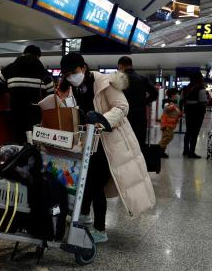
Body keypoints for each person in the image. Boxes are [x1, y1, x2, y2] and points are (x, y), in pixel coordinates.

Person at [56, 53, 155, 243]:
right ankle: (84, 214)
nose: (71, 77)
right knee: (85, 180)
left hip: (110, 140)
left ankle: (100, 229)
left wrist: (102, 120)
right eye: (67, 75)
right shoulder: (75, 87)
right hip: (90, 142)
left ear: (83, 68)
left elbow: (122, 107)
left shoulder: (105, 83)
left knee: (94, 184)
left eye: (73, 72)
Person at [0, 45, 54, 143]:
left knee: (18, 144)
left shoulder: (11, 68)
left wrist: (8, 90)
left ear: (24, 54)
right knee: (34, 146)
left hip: (16, 116)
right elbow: (51, 94)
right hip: (35, 119)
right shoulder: (44, 73)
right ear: (38, 57)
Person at [117, 56, 158, 148]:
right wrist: (144, 102)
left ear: (120, 66)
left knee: (124, 144)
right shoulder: (143, 78)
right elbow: (155, 93)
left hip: (123, 116)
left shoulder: (118, 80)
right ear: (131, 65)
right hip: (140, 116)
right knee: (139, 143)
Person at [181, 72, 208, 158]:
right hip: (197, 113)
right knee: (195, 133)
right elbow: (203, 102)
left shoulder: (185, 88)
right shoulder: (201, 89)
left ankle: (185, 150)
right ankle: (191, 152)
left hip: (188, 112)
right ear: (199, 78)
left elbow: (182, 100)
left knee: (188, 131)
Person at [159, 89, 182, 158]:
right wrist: (173, 106)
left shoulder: (175, 103)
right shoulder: (168, 102)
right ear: (173, 95)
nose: (178, 96)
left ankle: (161, 151)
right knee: (168, 137)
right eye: (177, 94)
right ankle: (159, 150)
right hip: (167, 124)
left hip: (171, 124)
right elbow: (166, 108)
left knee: (166, 137)